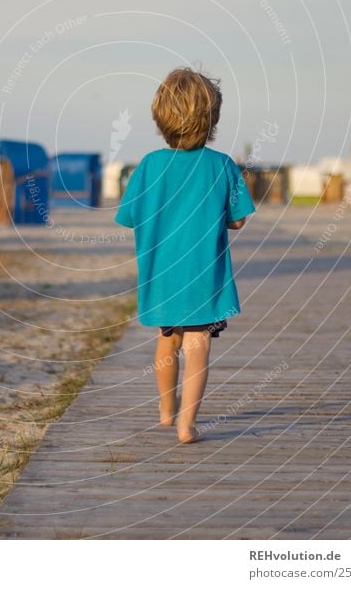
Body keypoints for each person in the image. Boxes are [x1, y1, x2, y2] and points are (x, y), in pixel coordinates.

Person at [114, 67, 256, 444]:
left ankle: (165, 409)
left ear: (160, 119)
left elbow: (129, 217)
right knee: (198, 346)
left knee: (167, 341)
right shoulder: (222, 165)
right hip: (203, 276)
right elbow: (239, 221)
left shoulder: (147, 166)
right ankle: (187, 425)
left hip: (162, 275)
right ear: (212, 120)